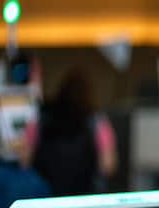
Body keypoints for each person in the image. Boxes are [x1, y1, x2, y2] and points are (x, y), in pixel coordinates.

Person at [24, 67, 118, 196]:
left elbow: (25, 160)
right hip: (86, 198)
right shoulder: (96, 120)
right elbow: (107, 165)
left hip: (46, 196)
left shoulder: (41, 117)